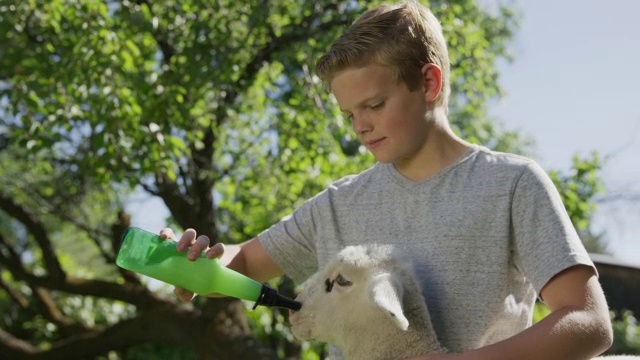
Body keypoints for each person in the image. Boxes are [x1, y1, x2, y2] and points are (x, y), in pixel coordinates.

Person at [160, 1, 613, 359]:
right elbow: (242, 262)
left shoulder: (512, 185)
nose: (360, 126)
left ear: (429, 83)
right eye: (349, 113)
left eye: (374, 105)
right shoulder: (338, 204)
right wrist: (198, 258)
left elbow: (589, 322)